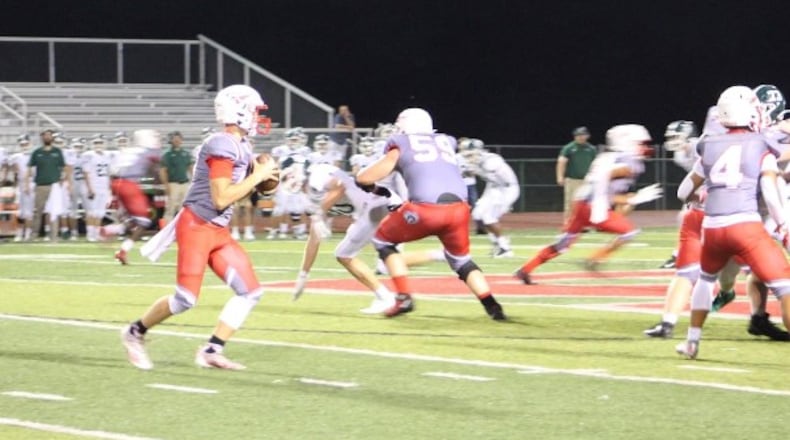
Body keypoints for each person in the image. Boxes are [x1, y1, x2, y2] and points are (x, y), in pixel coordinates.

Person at [121, 84, 279, 371]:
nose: (258, 117)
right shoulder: (223, 144)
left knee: (251, 292)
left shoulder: (241, 145)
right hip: (197, 226)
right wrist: (258, 177)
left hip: (217, 229)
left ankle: (211, 350)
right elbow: (221, 198)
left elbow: (233, 195)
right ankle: (135, 332)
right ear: (239, 111)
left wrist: (261, 183)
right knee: (185, 299)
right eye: (255, 111)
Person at [356, 107, 506, 320]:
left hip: (425, 209)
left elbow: (366, 178)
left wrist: (363, 179)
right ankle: (492, 305)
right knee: (462, 261)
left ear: (407, 125)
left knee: (382, 240)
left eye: (400, 126)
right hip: (459, 210)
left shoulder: (401, 143)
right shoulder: (447, 141)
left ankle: (404, 296)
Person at [676, 86, 790, 359]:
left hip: (713, 228)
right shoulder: (761, 143)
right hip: (746, 225)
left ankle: (692, 342)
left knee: (705, 281)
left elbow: (682, 192)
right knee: (785, 285)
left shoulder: (710, 143)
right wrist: (783, 226)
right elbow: (771, 193)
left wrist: (696, 200)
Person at [515, 125, 662, 284]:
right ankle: (594, 260)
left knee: (562, 244)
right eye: (641, 143)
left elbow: (605, 188)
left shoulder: (609, 158)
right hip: (593, 206)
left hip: (582, 203)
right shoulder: (626, 164)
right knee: (629, 232)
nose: (645, 148)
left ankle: (525, 269)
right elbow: (606, 187)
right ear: (627, 143)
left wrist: (625, 201)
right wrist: (630, 200)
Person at [101, 129, 161, 264]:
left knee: (133, 220)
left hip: (115, 183)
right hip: (129, 184)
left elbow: (112, 171)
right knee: (144, 221)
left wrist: (112, 193)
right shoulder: (148, 151)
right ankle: (122, 250)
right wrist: (158, 185)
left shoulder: (127, 151)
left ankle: (112, 230)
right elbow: (154, 170)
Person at [463, 138, 520, 257]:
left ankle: (505, 248)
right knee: (477, 214)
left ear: (479, 151)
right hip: (494, 187)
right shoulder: (478, 162)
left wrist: (506, 202)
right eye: (467, 155)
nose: (469, 158)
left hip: (506, 189)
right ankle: (497, 243)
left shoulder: (491, 161)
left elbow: (502, 180)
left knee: (488, 217)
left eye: (471, 154)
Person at [26, 129, 67, 241]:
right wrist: (28, 183)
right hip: (40, 185)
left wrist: (62, 180)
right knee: (38, 210)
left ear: (52, 138)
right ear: (42, 138)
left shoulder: (57, 152)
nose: (47, 137)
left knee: (54, 211)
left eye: (49, 135)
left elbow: (63, 167)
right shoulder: (37, 152)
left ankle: (54, 235)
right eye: (45, 135)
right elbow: (30, 167)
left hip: (54, 185)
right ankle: (34, 234)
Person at [556, 126, 597, 222]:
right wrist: (560, 177)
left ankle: (584, 222)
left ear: (587, 136)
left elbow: (595, 164)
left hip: (587, 180)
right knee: (571, 202)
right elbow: (561, 162)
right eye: (578, 135)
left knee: (586, 202)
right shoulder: (569, 148)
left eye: (583, 135)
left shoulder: (591, 149)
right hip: (572, 179)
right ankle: (569, 222)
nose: (580, 137)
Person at [80, 135, 114, 242]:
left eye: (100, 143)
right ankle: (90, 234)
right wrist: (90, 188)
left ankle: (96, 233)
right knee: (91, 212)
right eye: (96, 143)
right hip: (93, 187)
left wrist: (109, 188)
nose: (98, 145)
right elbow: (85, 173)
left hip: (104, 187)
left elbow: (109, 173)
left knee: (100, 213)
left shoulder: (108, 156)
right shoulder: (89, 156)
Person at [159, 130, 193, 223]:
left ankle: (182, 228)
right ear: (171, 140)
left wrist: (193, 181)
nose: (177, 140)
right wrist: (166, 185)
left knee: (184, 207)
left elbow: (191, 168)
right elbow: (163, 171)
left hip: (185, 183)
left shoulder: (186, 153)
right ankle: (166, 230)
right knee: (171, 207)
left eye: (179, 138)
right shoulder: (167, 154)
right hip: (173, 183)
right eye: (175, 138)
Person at [9, 134, 35, 241]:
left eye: (26, 143)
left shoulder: (34, 156)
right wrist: (15, 187)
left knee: (29, 211)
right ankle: (19, 233)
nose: (24, 145)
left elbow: (32, 172)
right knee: (20, 211)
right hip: (21, 184)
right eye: (22, 144)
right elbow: (16, 172)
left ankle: (28, 234)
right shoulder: (16, 157)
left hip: (31, 184)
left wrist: (27, 184)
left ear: (30, 143)